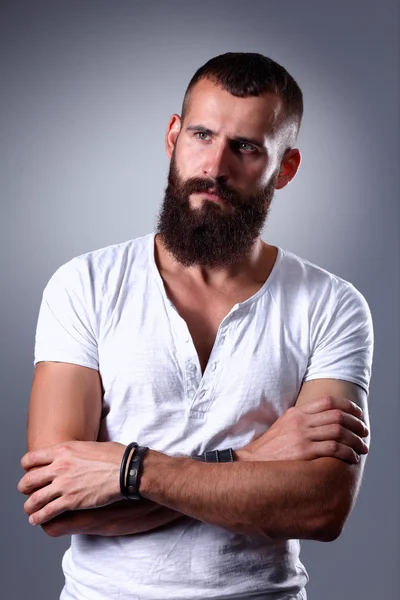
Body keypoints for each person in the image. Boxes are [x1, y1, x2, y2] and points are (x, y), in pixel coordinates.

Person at [18, 52, 373, 600]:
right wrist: (249, 462)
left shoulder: (331, 305)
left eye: (247, 147)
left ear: (286, 168)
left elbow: (321, 507)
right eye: (202, 135)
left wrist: (128, 472)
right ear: (173, 136)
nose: (214, 165)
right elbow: (57, 505)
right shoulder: (83, 285)